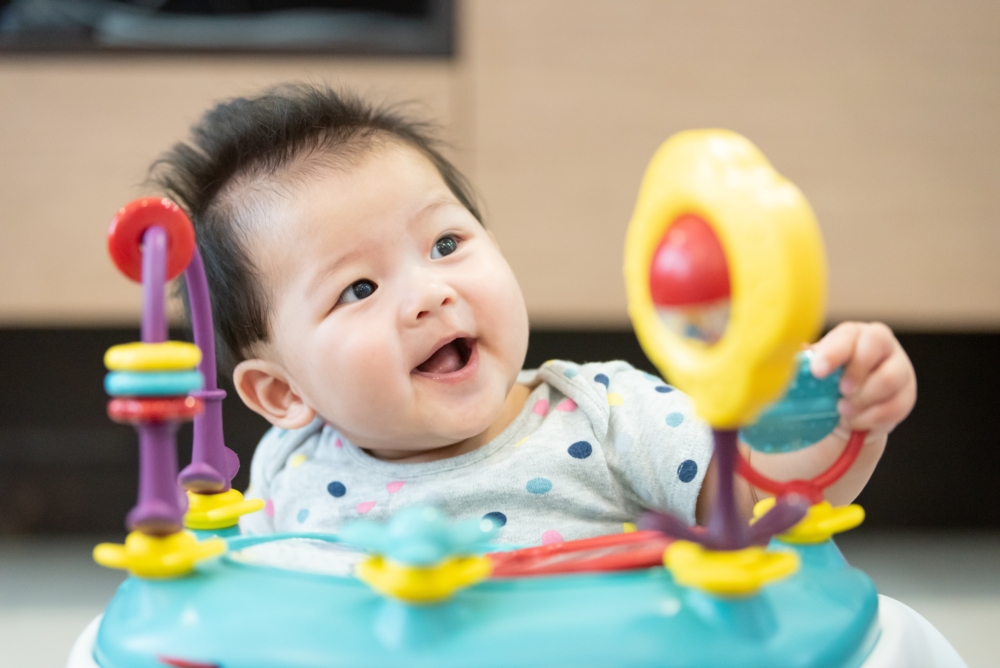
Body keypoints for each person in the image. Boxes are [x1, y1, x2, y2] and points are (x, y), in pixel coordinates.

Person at [152, 84, 916, 546]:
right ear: (283, 393)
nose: (429, 294)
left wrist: (834, 422)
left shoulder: (606, 415)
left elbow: (751, 500)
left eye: (445, 244)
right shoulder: (289, 470)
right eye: (358, 289)